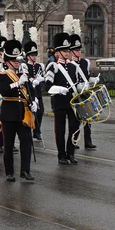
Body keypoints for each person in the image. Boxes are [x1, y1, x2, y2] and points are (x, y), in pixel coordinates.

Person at [0, 39, 34, 182]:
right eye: (14, 60)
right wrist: (18, 83)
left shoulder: (23, 74)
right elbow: (3, 91)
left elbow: (31, 90)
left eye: (18, 60)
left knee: (26, 142)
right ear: (7, 61)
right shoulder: (1, 75)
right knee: (9, 144)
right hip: (8, 113)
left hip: (23, 113)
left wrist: (34, 101)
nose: (17, 63)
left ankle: (25, 170)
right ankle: (9, 172)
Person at [45, 30, 78, 165]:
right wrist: (59, 89)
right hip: (59, 102)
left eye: (67, 50)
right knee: (60, 129)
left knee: (74, 128)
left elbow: (77, 83)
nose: (66, 53)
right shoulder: (53, 66)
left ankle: (71, 153)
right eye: (63, 51)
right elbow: (47, 86)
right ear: (57, 52)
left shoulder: (73, 66)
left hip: (72, 102)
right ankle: (61, 155)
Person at [69, 28, 98, 150]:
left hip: (85, 91)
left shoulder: (85, 62)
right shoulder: (69, 63)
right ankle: (74, 140)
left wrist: (92, 80)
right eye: (76, 50)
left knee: (88, 117)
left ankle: (88, 141)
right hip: (75, 93)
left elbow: (86, 76)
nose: (79, 52)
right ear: (71, 51)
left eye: (79, 49)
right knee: (76, 119)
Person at [23, 38, 45, 141]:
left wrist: (41, 79)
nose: (34, 57)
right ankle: (27, 131)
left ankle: (37, 131)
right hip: (29, 93)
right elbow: (25, 78)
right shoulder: (25, 66)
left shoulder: (39, 66)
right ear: (28, 56)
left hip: (38, 93)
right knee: (29, 112)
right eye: (32, 55)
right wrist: (32, 81)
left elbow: (43, 78)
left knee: (40, 112)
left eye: (35, 55)